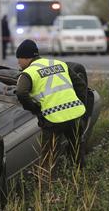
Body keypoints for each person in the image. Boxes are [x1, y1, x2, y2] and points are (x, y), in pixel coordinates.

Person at [14, 39, 88, 168]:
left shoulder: (28, 73)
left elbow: (21, 93)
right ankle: (79, 178)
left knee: (49, 157)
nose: (18, 62)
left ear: (26, 58)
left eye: (19, 58)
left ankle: (47, 184)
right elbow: (81, 85)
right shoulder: (60, 64)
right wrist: (80, 105)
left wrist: (34, 109)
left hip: (53, 119)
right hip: (75, 115)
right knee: (76, 151)